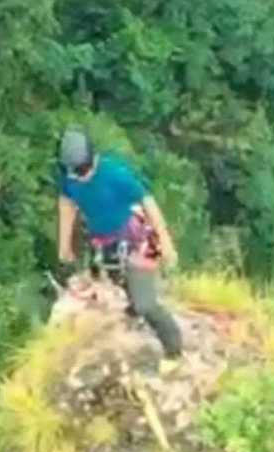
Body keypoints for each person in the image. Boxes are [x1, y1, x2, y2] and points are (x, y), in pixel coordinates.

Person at [56, 127, 183, 368]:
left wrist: (166, 242)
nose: (79, 177)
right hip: (106, 241)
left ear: (92, 158)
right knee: (119, 280)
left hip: (138, 237)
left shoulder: (114, 173)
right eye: (72, 172)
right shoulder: (71, 179)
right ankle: (134, 306)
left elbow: (148, 201)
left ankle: (174, 350)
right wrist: (64, 245)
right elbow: (67, 203)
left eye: (82, 170)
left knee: (146, 303)